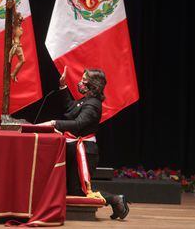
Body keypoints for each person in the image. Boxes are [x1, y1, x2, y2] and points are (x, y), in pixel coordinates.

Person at [39, 66, 130, 220]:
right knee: (72, 189)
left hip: (85, 152)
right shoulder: (86, 101)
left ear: (93, 85)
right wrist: (63, 86)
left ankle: (115, 199)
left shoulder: (94, 104)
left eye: (84, 80)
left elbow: (78, 124)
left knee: (80, 192)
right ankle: (114, 200)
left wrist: (54, 123)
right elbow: (70, 109)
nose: (80, 82)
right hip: (75, 149)